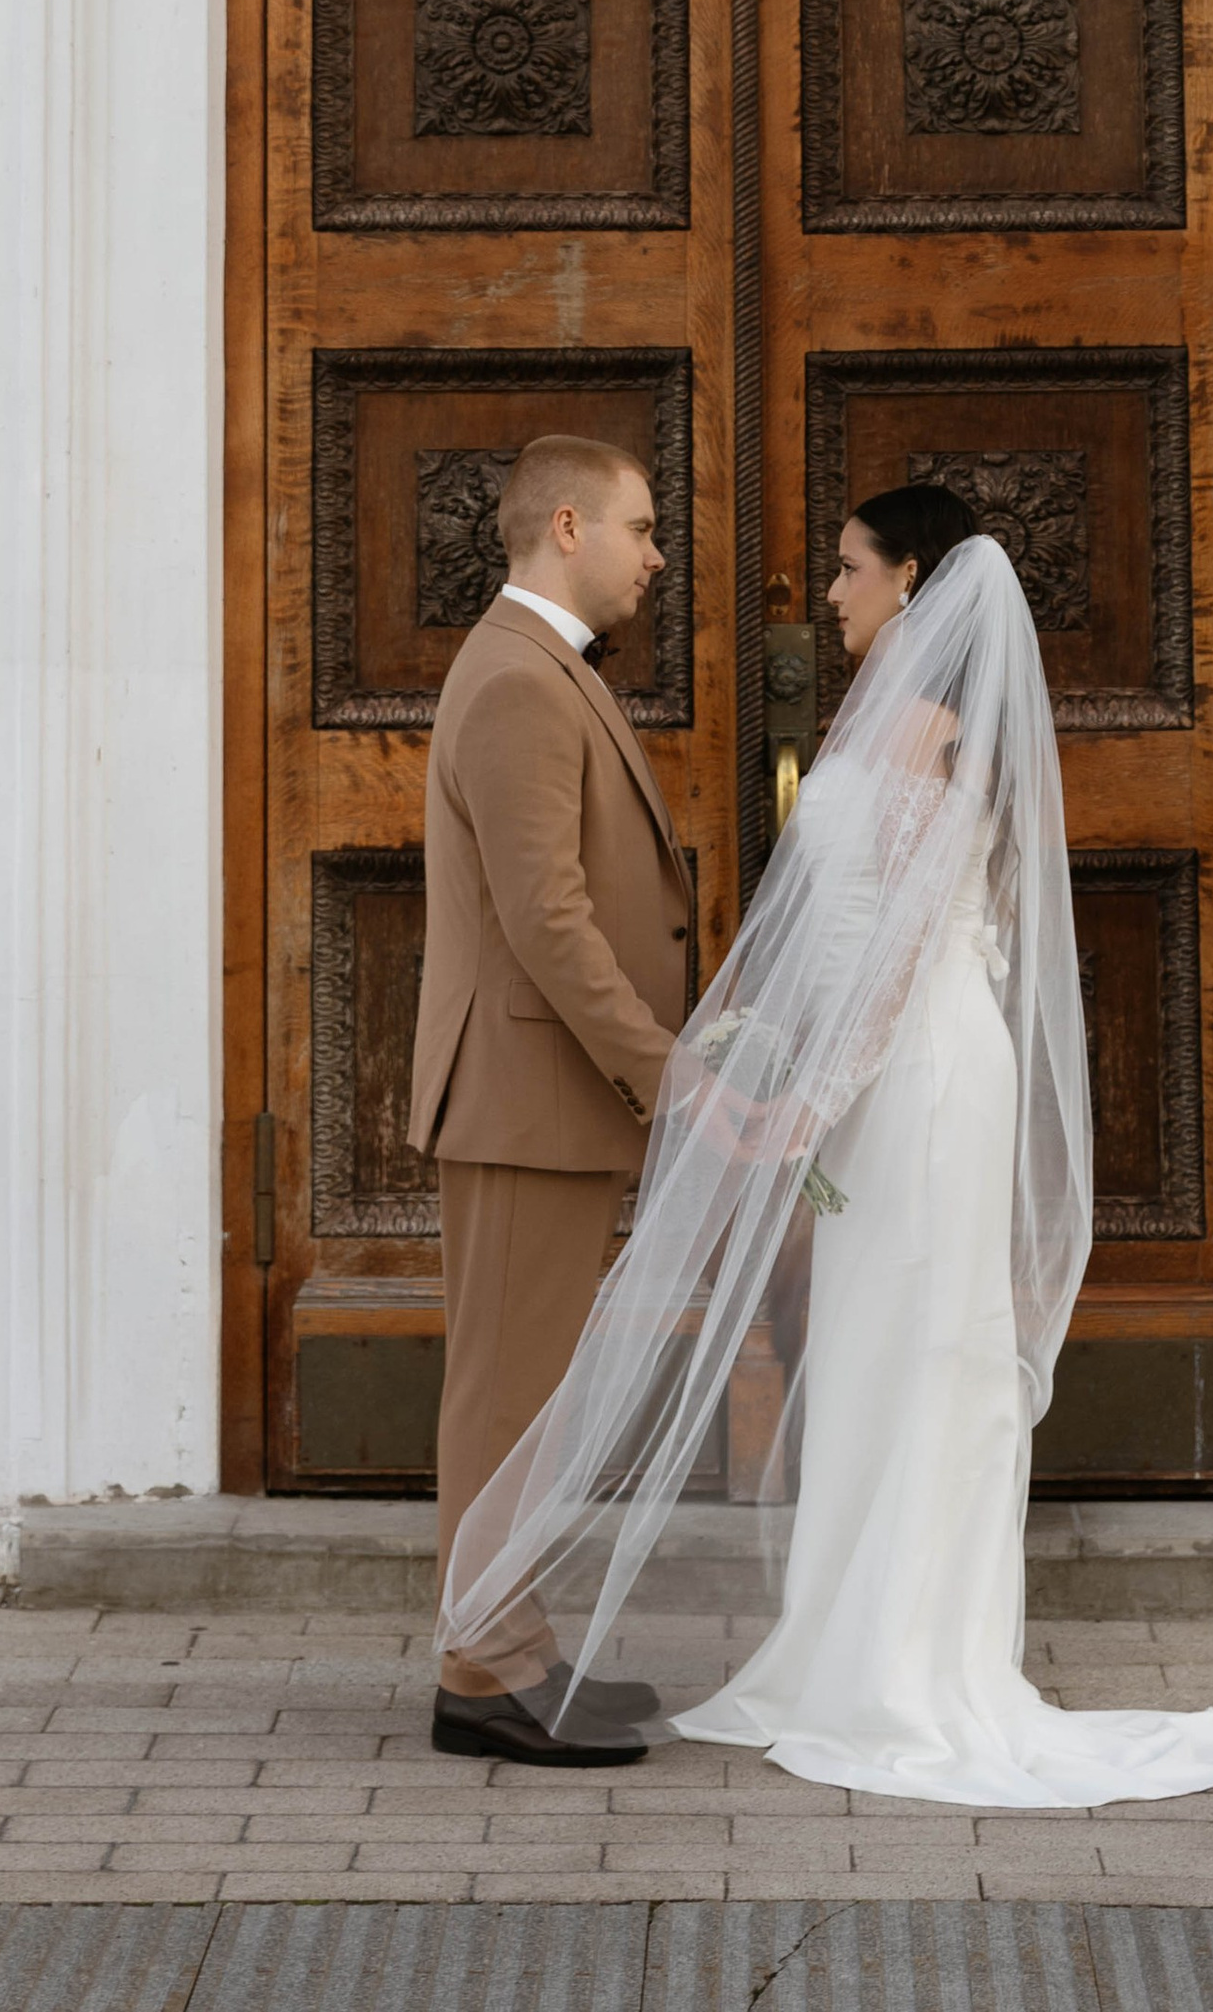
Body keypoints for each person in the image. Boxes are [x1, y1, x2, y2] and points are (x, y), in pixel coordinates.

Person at [438, 485, 1213, 1811]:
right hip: (893, 1071)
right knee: (881, 1350)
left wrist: (801, 1104)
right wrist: (782, 1053)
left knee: (920, 1352)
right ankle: (848, 1653)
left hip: (919, 1075)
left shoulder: (924, 731)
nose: (828, 593)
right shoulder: (900, 719)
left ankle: (906, 1671)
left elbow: (905, 948)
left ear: (910, 578)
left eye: (848, 566)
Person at [406, 433, 691, 1770]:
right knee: (508, 1396)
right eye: (642, 527)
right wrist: (666, 1070)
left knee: (529, 1396)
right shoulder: (520, 678)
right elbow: (546, 918)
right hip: (526, 1095)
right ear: (567, 526)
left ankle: (512, 1645)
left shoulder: (541, 665)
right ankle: (482, 1674)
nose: (657, 555)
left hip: (545, 1099)